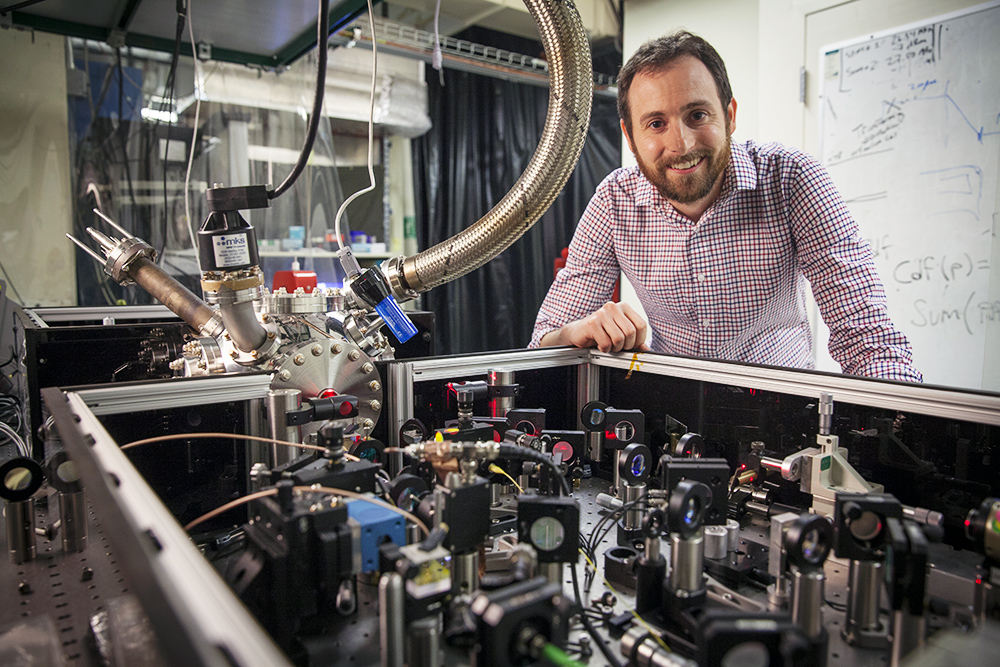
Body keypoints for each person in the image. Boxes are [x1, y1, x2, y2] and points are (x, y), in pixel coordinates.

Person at [529, 30, 922, 383]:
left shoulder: (792, 179)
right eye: (655, 124)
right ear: (630, 138)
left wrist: (900, 434)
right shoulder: (615, 201)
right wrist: (575, 332)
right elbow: (544, 339)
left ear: (729, 116)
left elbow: (868, 337)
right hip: (676, 421)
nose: (681, 144)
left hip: (784, 409)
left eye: (697, 115)